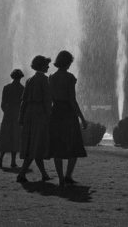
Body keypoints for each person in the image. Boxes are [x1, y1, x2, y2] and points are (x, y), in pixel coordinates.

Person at [48, 50, 87, 187]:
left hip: (56, 112)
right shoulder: (70, 78)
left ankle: (60, 178)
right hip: (68, 114)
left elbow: (51, 99)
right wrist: (82, 118)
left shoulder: (51, 78)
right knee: (74, 145)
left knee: (57, 146)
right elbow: (72, 100)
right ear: (68, 62)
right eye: (70, 62)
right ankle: (68, 175)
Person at [17, 55, 52, 183]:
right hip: (39, 114)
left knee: (34, 145)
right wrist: (49, 116)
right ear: (42, 66)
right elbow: (47, 101)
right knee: (36, 145)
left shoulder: (29, 80)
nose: (48, 67)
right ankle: (21, 174)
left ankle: (44, 175)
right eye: (46, 65)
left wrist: (21, 117)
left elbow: (23, 101)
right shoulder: (44, 80)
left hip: (29, 114)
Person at [0, 69, 25, 168]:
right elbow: (23, 105)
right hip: (17, 115)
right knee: (15, 138)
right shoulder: (22, 89)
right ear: (21, 77)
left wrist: (7, 112)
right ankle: (13, 162)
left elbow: (3, 104)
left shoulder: (6, 87)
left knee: (5, 137)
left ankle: (0, 161)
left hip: (8, 114)